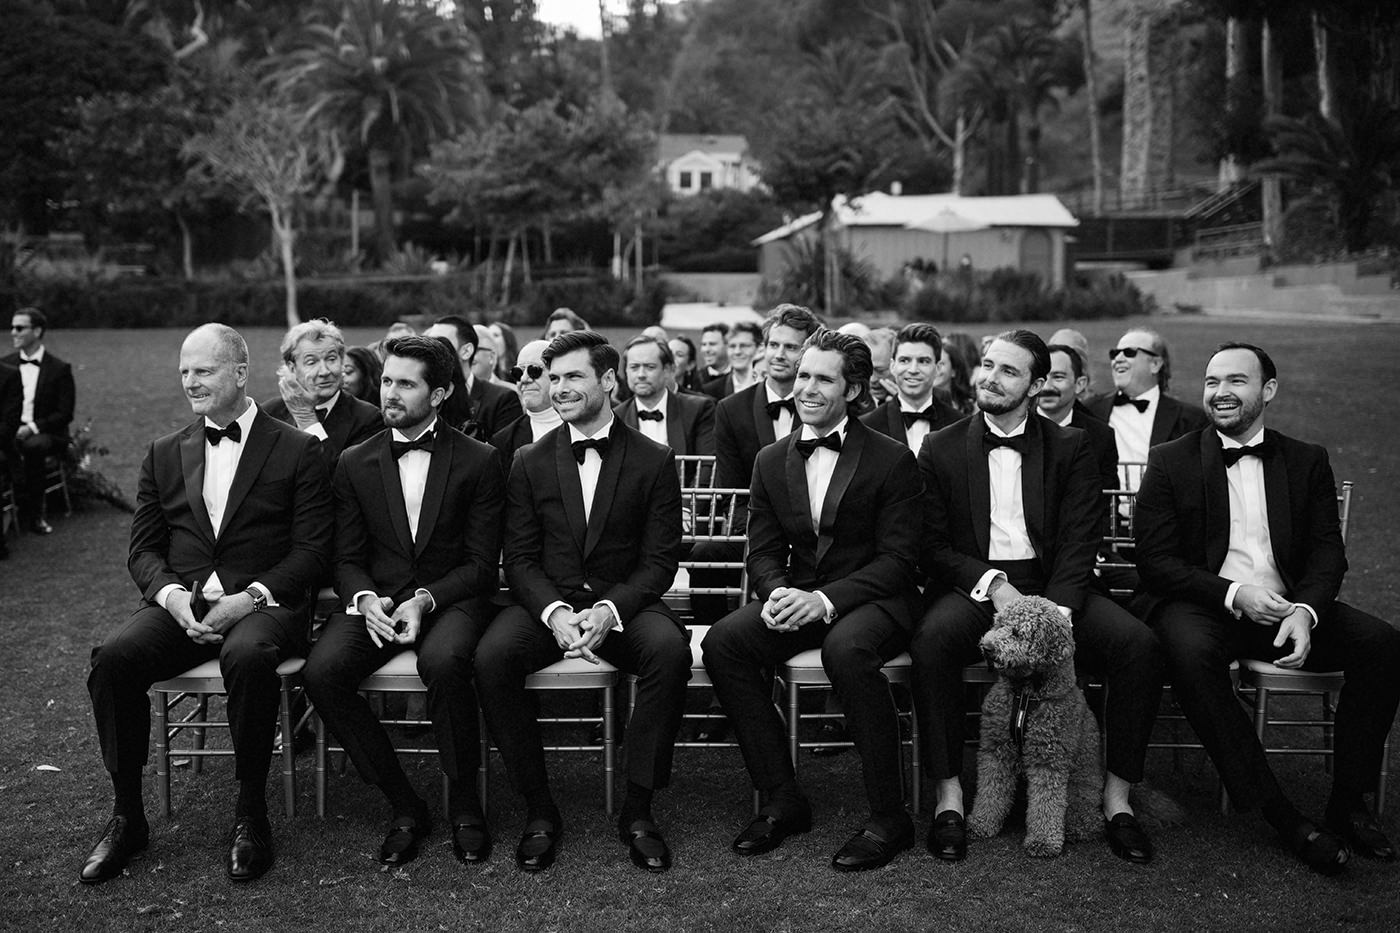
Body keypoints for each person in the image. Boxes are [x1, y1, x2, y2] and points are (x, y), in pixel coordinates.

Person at [1133, 342, 1400, 874]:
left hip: (1284, 606)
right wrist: (1236, 594)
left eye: (1236, 381)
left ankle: (1348, 802)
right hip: (1204, 604)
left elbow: (1327, 553)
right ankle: (1281, 815)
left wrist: (1304, 612)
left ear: (1268, 390)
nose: (1221, 392)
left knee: (1382, 645)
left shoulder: (1306, 460)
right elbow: (1156, 561)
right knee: (1188, 655)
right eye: (1212, 382)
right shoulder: (1170, 460)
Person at [81, 324, 333, 885]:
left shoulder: (298, 449)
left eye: (203, 370)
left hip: (266, 604)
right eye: (184, 372)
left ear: (240, 373)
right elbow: (144, 549)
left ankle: (250, 812)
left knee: (246, 656)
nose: (190, 382)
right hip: (184, 605)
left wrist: (250, 598)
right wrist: (171, 597)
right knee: (113, 658)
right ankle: (128, 816)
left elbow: (313, 552)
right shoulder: (164, 452)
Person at [911, 329, 1162, 866]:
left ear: (1036, 385)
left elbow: (1081, 537)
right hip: (978, 586)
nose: (990, 378)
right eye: (987, 365)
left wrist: (1056, 612)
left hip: (1056, 585)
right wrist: (994, 585)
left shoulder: (1072, 446)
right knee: (931, 642)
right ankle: (949, 797)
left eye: (1008, 370)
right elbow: (931, 545)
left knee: (1137, 645)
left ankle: (1117, 799)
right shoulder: (941, 446)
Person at [704, 329, 924, 872]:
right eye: (804, 375)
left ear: (853, 390)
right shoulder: (769, 459)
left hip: (875, 599)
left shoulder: (892, 459)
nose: (807, 388)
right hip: (798, 595)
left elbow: (899, 562)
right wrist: (775, 591)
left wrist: (824, 600)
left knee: (846, 651)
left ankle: (890, 816)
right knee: (724, 642)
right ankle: (783, 798)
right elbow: (762, 550)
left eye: (823, 379)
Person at [474, 331, 689, 874]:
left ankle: (639, 808)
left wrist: (610, 610)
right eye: (554, 378)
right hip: (549, 607)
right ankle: (538, 807)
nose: (559, 388)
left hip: (625, 606)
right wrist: (555, 613)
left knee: (670, 653)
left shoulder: (655, 459)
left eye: (574, 376)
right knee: (492, 657)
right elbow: (520, 558)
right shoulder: (528, 459)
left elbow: (659, 561)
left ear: (608, 380)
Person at [304, 336, 506, 868]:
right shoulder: (354, 461)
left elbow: (482, 565)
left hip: (452, 598)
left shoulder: (480, 461)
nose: (389, 393)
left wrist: (424, 600)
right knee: (322, 673)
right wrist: (365, 598)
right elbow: (346, 557)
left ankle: (465, 804)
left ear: (438, 394)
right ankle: (403, 802)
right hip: (377, 601)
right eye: (387, 380)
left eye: (406, 384)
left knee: (444, 662)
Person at [1089, 328, 1208, 491]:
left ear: (1155, 364)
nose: (1118, 359)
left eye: (1129, 352)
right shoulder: (1091, 410)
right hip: (1105, 506)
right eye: (1114, 353)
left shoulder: (1191, 420)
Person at [262, 319, 382, 467]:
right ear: (292, 368)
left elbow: (342, 477)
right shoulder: (269, 413)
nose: (324, 371)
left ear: (341, 361)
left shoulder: (369, 419)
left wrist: (307, 420)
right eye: (311, 362)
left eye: (331, 359)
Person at [5, 307, 75, 534]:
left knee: (32, 447)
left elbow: (65, 413)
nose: (13, 332)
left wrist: (31, 428)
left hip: (47, 432)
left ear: (36, 331)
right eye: (12, 327)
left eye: (19, 328)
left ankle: (36, 514)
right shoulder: (5, 365)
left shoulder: (59, 369)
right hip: (10, 429)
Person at [861, 322, 961, 451]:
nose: (913, 370)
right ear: (893, 366)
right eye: (904, 360)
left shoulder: (960, 425)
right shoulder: (867, 426)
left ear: (937, 368)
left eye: (923, 361)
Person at [1039, 343, 1118, 501]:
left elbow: (1107, 501)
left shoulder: (1100, 436)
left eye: (1058, 377)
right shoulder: (1016, 426)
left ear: (1080, 384)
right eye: (1042, 378)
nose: (1047, 386)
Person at [423, 315, 523, 441]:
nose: (431, 350)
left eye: (441, 343)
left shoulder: (501, 400)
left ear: (466, 351)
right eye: (428, 343)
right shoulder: (422, 395)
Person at [614, 335, 715, 456]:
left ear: (667, 370)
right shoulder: (615, 418)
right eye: (634, 367)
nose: (641, 375)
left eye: (650, 367)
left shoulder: (698, 410)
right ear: (626, 371)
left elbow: (706, 463)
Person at [490, 339, 562, 462]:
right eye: (518, 372)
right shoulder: (503, 441)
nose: (524, 379)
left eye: (534, 370)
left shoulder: (585, 426)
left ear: (557, 374)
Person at [702, 321, 762, 399]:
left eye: (744, 346)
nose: (737, 352)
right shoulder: (710, 390)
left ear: (759, 348)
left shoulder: (769, 385)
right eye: (732, 346)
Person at [932, 332, 978, 417]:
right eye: (931, 363)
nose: (935, 369)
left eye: (941, 364)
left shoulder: (971, 407)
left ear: (954, 370)